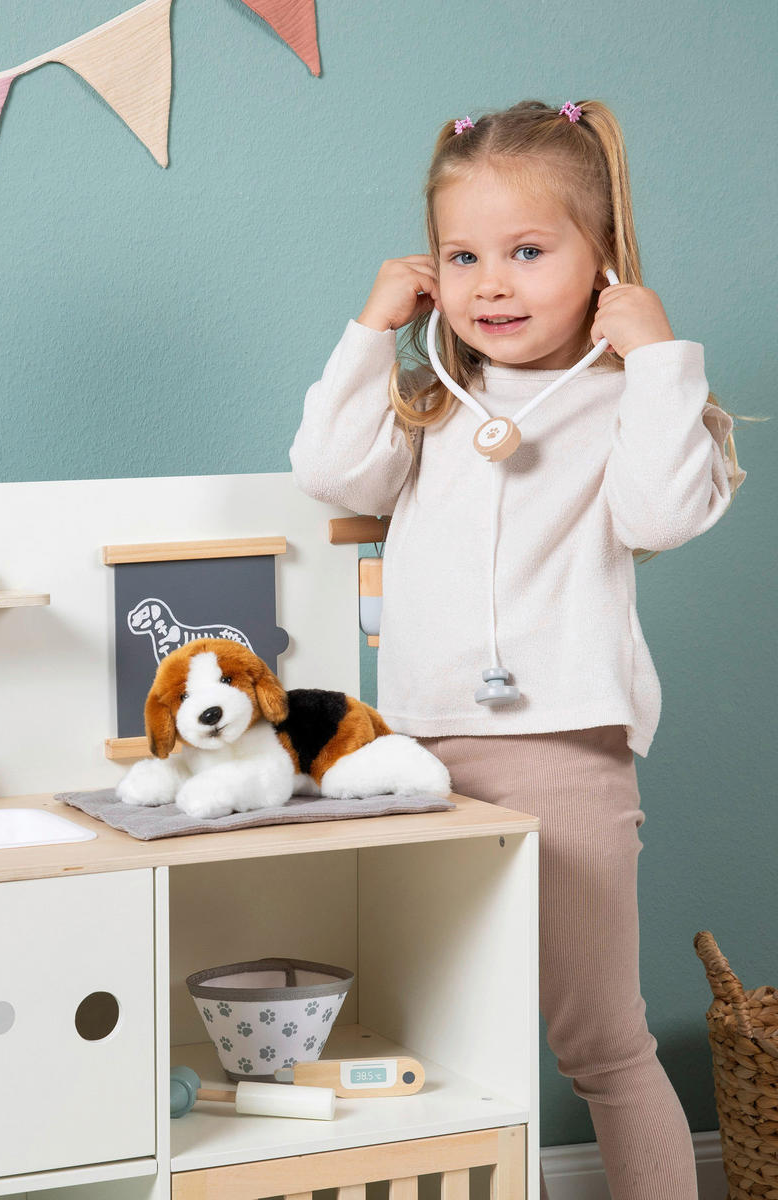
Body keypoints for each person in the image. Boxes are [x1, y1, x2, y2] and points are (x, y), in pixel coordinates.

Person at [289, 99, 746, 1200]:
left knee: (601, 1044)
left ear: (605, 264)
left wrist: (659, 360)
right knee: (438, 1031)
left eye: (529, 252)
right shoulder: (433, 408)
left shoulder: (625, 401)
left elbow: (659, 514)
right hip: (418, 757)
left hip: (563, 753)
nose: (492, 283)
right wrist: (371, 327)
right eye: (464, 255)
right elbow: (329, 470)